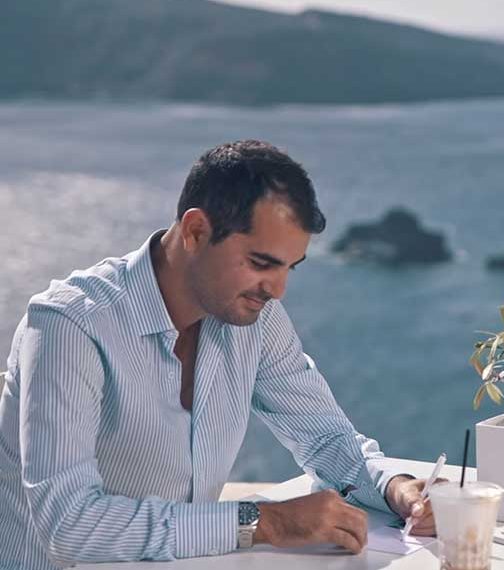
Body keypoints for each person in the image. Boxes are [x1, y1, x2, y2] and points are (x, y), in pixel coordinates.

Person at [0, 140, 439, 569]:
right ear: (196, 231)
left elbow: (324, 439)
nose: (277, 290)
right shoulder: (70, 325)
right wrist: (266, 522)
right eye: (261, 263)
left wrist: (395, 488)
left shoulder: (254, 318)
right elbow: (71, 523)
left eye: (289, 267)